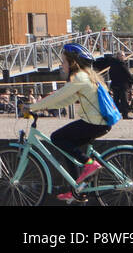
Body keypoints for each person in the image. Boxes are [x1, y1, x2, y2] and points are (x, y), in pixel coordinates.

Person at [24, 44, 115, 199]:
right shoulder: (86, 77)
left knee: (57, 138)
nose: (62, 64)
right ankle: (76, 190)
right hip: (99, 123)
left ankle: (90, 164)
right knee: (65, 147)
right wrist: (40, 108)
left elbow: (59, 95)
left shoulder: (79, 78)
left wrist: (31, 106)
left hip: (94, 123)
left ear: (73, 63)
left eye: (64, 61)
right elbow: (66, 100)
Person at [92, 52, 133, 119]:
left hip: (115, 84)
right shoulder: (121, 63)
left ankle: (114, 114)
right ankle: (125, 115)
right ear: (119, 56)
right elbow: (127, 73)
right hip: (122, 84)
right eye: (123, 55)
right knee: (124, 100)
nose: (124, 57)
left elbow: (111, 73)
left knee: (116, 100)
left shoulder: (112, 63)